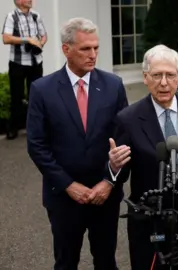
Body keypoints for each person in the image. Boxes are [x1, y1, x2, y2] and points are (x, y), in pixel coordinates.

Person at [26, 18, 128, 270]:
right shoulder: (42, 89)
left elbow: (124, 139)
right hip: (63, 198)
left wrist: (108, 182)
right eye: (85, 49)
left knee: (106, 261)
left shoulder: (113, 86)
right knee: (65, 261)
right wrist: (69, 186)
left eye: (96, 48)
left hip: (105, 197)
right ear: (66, 49)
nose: (93, 55)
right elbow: (37, 145)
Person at [107, 44, 178, 270]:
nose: (164, 82)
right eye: (157, 75)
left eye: (170, 75)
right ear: (145, 78)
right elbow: (121, 177)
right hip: (151, 224)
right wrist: (113, 166)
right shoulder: (127, 119)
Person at [2, 0, 47, 140]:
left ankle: (35, 127)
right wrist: (27, 40)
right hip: (18, 63)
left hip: (35, 62)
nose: (31, 0)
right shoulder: (11, 16)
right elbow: (6, 38)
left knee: (36, 96)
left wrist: (39, 44)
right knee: (17, 96)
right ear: (19, 1)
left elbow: (44, 35)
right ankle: (13, 128)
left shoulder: (36, 16)